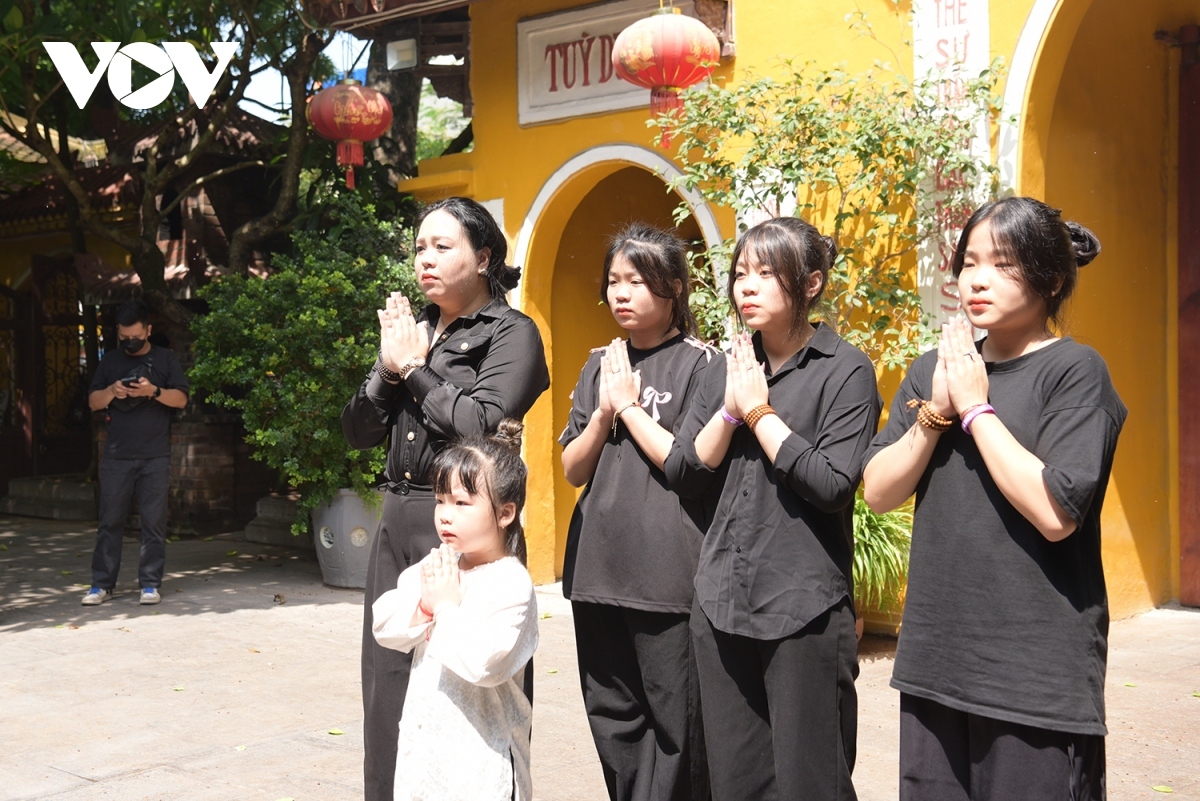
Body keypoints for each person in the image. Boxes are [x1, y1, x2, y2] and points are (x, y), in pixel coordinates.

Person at [861, 197, 1124, 801]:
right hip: (936, 663)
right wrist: (937, 413)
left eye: (1002, 264)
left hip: (1034, 675)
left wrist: (977, 410)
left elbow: (1057, 513)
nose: (975, 278)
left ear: (1051, 278)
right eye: (969, 261)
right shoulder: (937, 368)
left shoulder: (1076, 372)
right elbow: (878, 491)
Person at [341, 196, 550, 801]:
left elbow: (482, 426)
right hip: (399, 514)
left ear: (484, 256)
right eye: (419, 248)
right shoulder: (414, 335)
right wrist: (387, 368)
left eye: (442, 246)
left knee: (470, 684)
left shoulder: (512, 333)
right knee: (386, 686)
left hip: (469, 524)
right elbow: (356, 431)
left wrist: (414, 371)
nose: (424, 259)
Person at [664, 217, 880, 801]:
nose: (746, 287)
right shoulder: (725, 367)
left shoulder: (846, 370)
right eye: (740, 274)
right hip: (720, 602)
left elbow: (833, 484)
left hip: (803, 609)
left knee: (813, 782)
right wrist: (731, 411)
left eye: (765, 274)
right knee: (735, 782)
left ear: (810, 284)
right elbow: (682, 472)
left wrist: (761, 415)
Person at [559, 223, 713, 801]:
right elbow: (575, 468)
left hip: (668, 578)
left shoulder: (704, 364)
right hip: (597, 570)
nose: (621, 294)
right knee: (613, 717)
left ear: (673, 285)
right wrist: (603, 413)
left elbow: (688, 465)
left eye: (637, 282)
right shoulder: (599, 361)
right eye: (614, 282)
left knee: (678, 722)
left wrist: (628, 406)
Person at [372, 419, 538, 801]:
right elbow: (385, 625)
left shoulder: (510, 583)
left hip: (484, 763)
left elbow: (485, 664)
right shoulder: (441, 563)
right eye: (440, 500)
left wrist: (446, 608)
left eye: (462, 503)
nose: (445, 515)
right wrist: (424, 608)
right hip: (427, 756)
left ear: (505, 513)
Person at [82, 301, 189, 606]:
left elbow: (180, 399)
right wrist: (112, 391)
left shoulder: (166, 359)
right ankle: (101, 585)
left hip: (154, 455)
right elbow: (93, 401)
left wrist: (152, 391)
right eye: (124, 336)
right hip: (117, 456)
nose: (130, 341)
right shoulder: (111, 361)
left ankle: (150, 584)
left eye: (136, 336)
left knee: (153, 523)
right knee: (110, 522)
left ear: (148, 331)